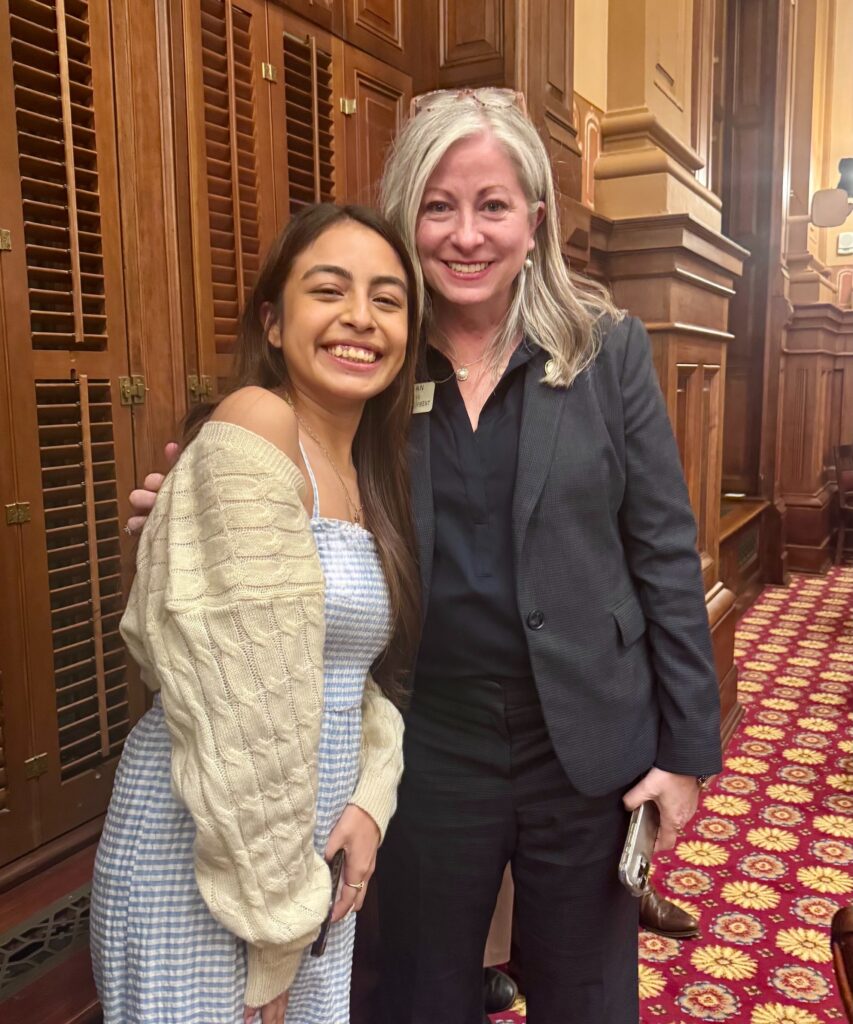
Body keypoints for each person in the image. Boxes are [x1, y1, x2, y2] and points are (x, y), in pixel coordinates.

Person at [127, 90, 722, 1024]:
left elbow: (663, 550)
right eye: (439, 207)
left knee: (588, 993)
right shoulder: (378, 357)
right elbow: (293, 486)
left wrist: (685, 752)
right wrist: (192, 516)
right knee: (415, 988)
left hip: (587, 737)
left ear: (535, 219)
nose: (466, 234)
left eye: (492, 206)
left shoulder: (607, 350)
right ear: (409, 217)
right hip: (430, 731)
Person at [91, 203, 423, 1024]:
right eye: (329, 290)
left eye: (387, 299)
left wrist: (371, 799)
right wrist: (275, 944)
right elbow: (246, 715)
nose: (359, 318)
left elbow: (351, 682)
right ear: (272, 323)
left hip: (301, 876)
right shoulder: (259, 422)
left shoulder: (369, 473)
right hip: (217, 868)